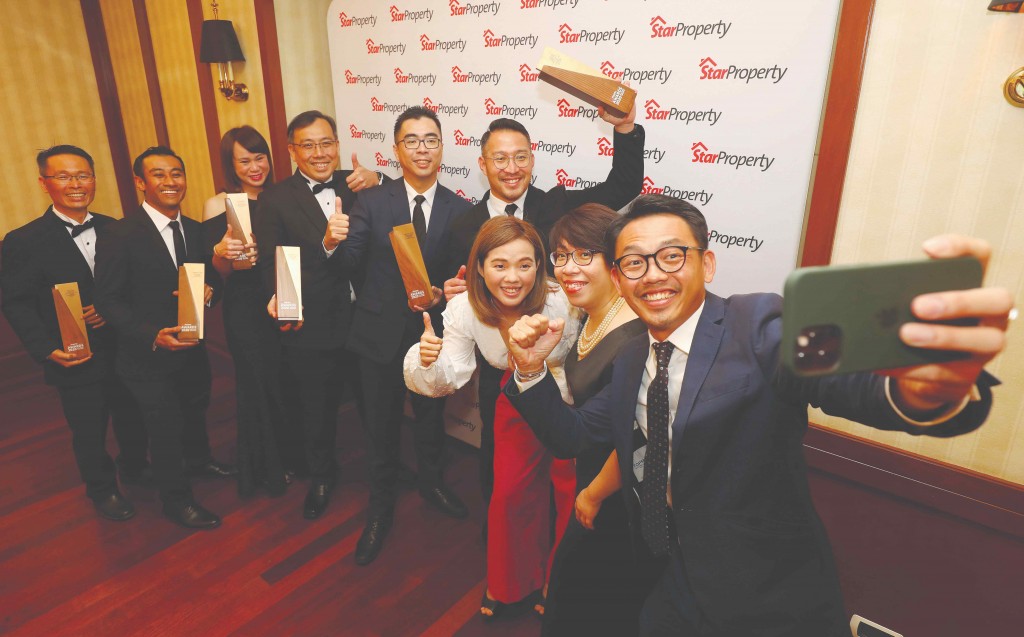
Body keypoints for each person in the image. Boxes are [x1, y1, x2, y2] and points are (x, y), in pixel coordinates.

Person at [503, 194, 1011, 636]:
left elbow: (847, 385)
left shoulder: (758, 323)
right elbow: (573, 437)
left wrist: (921, 393)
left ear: (708, 264)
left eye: (672, 256)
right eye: (634, 263)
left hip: (766, 589)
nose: (653, 273)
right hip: (669, 575)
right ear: (618, 276)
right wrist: (528, 371)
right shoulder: (633, 353)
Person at [443, 105, 644, 506]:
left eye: (520, 157)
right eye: (500, 158)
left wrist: (624, 128)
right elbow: (454, 284)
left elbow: (622, 186)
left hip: (563, 365)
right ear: (483, 164)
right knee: (502, 469)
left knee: (561, 461)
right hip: (498, 369)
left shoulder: (557, 205)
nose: (511, 167)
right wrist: (449, 292)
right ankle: (502, 539)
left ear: (532, 159)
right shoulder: (463, 226)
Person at [405, 216, 578, 619]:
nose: (513, 277)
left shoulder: (563, 297)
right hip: (515, 400)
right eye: (499, 265)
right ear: (480, 267)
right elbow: (451, 375)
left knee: (570, 496)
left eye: (524, 264)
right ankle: (508, 583)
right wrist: (427, 360)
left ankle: (560, 582)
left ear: (540, 264)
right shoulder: (464, 308)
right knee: (509, 496)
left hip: (571, 402)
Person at [334, 106, 472, 565]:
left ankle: (432, 483)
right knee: (381, 423)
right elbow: (350, 262)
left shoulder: (460, 209)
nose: (421, 148)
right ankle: (381, 507)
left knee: (431, 418)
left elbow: (460, 278)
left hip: (432, 336)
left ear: (442, 147)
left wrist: (444, 291)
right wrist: (333, 241)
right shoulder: (373, 201)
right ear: (396, 150)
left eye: (430, 139)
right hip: (377, 335)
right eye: (411, 140)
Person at [0, 145, 149, 521]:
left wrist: (111, 309)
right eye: (64, 177)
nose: (76, 184)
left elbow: (131, 284)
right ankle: (101, 488)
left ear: (94, 179)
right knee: (88, 426)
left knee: (132, 413)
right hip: (75, 353)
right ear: (44, 183)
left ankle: (134, 466)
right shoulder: (23, 241)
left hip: (123, 346)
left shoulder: (114, 226)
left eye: (83, 175)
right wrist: (45, 348)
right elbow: (15, 302)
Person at [94, 146, 235, 530]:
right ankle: (177, 500)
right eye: (159, 174)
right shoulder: (119, 234)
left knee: (194, 410)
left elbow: (211, 283)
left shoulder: (196, 229)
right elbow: (105, 299)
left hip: (193, 350)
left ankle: (200, 460)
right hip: (146, 356)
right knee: (165, 426)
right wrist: (152, 335)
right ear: (141, 182)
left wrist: (210, 290)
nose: (170, 181)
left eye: (176, 172)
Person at [256, 110, 384, 520]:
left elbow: (400, 202)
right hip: (313, 324)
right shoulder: (275, 199)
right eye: (308, 145)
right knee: (317, 408)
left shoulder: (359, 182)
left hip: (366, 319)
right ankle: (322, 476)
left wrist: (379, 179)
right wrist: (325, 246)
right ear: (292, 150)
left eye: (326, 142)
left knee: (374, 403)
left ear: (337, 144)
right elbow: (273, 266)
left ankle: (386, 469)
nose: (319, 153)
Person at [541, 204, 654, 636]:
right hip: (593, 480)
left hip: (617, 495)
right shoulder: (590, 317)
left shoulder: (633, 337)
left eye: (584, 254)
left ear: (615, 261)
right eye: (562, 256)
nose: (569, 268)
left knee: (594, 603)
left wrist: (592, 495)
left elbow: (640, 434)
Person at [202, 125, 288, 498]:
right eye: (244, 160)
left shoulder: (281, 197)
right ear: (230, 164)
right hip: (243, 305)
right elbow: (216, 274)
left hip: (281, 299)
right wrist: (223, 254)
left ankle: (292, 456)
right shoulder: (218, 203)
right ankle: (266, 466)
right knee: (255, 382)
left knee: (284, 379)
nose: (255, 167)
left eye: (259, 157)